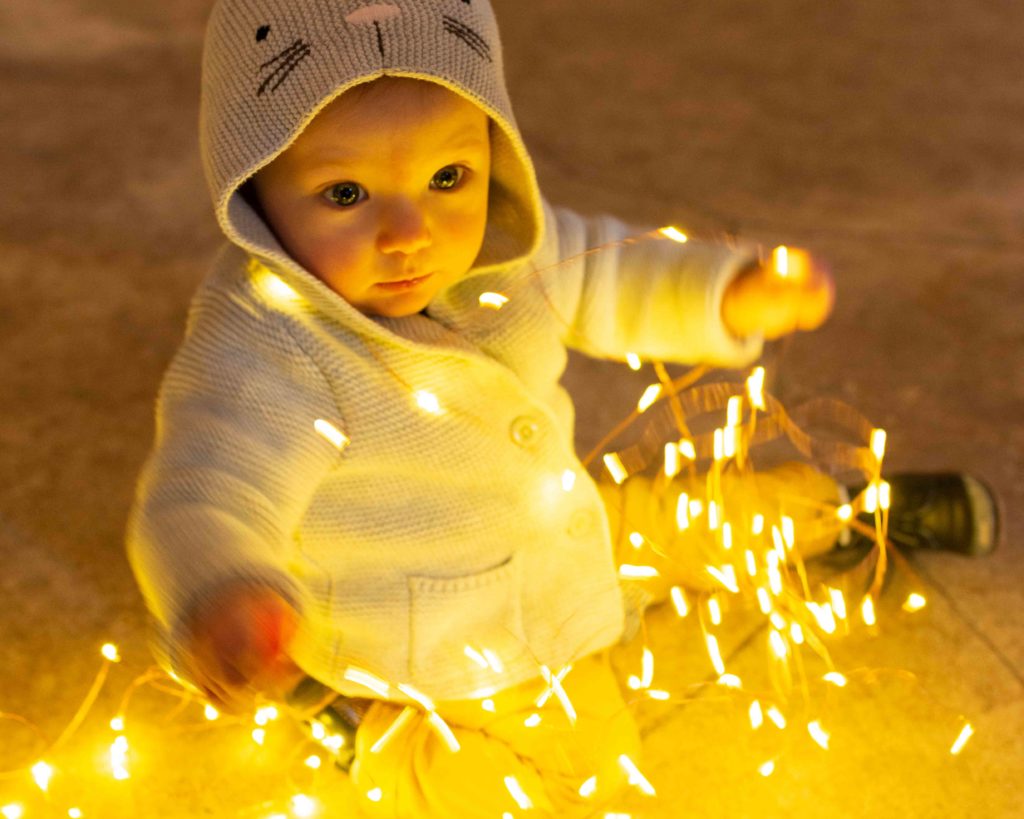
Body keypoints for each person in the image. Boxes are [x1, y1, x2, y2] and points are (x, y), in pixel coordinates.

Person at [125, 0, 998, 815]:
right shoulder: (266, 342)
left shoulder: (507, 248)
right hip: (442, 639)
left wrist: (727, 294)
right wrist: (225, 587)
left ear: (493, 151)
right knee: (576, 775)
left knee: (706, 519)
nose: (411, 233)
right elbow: (208, 486)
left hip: (566, 537)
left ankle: (846, 516)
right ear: (254, 192)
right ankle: (374, 733)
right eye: (346, 195)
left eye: (449, 175)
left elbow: (614, 272)